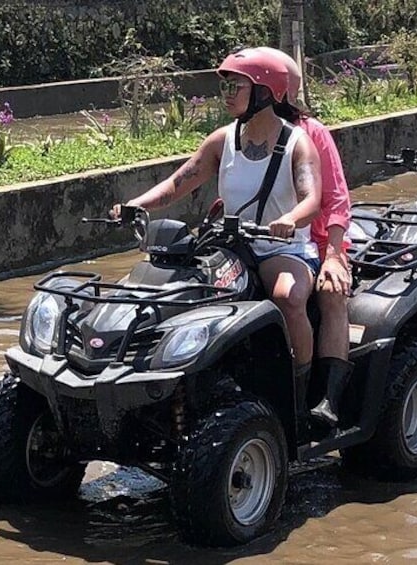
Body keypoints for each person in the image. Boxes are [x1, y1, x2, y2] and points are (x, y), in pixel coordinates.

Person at [111, 48, 321, 383]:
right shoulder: (222, 140)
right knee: (176, 287)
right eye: (225, 87)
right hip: (230, 246)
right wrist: (137, 204)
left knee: (288, 297)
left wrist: (291, 221)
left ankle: (302, 386)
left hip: (282, 248)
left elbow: (312, 200)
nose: (226, 94)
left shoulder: (297, 142)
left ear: (265, 92)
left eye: (235, 86)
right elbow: (176, 184)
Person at [259, 46, 354, 427]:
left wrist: (333, 253)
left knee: (331, 293)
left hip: (313, 240)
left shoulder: (311, 134)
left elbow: (335, 199)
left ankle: (325, 397)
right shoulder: (242, 136)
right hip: (261, 241)